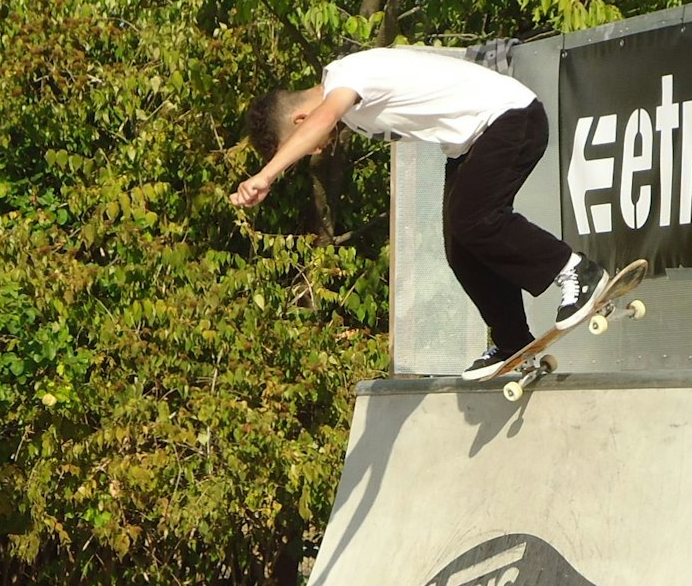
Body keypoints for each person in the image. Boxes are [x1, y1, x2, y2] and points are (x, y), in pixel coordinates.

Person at [234, 46, 613, 377]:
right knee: (460, 250)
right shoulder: (349, 94)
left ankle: (577, 270)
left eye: (308, 145)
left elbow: (322, 120)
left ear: (301, 122)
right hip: (473, 143)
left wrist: (267, 176)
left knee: (475, 218)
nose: (318, 150)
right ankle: (513, 341)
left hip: (511, 117)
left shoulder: (344, 77)